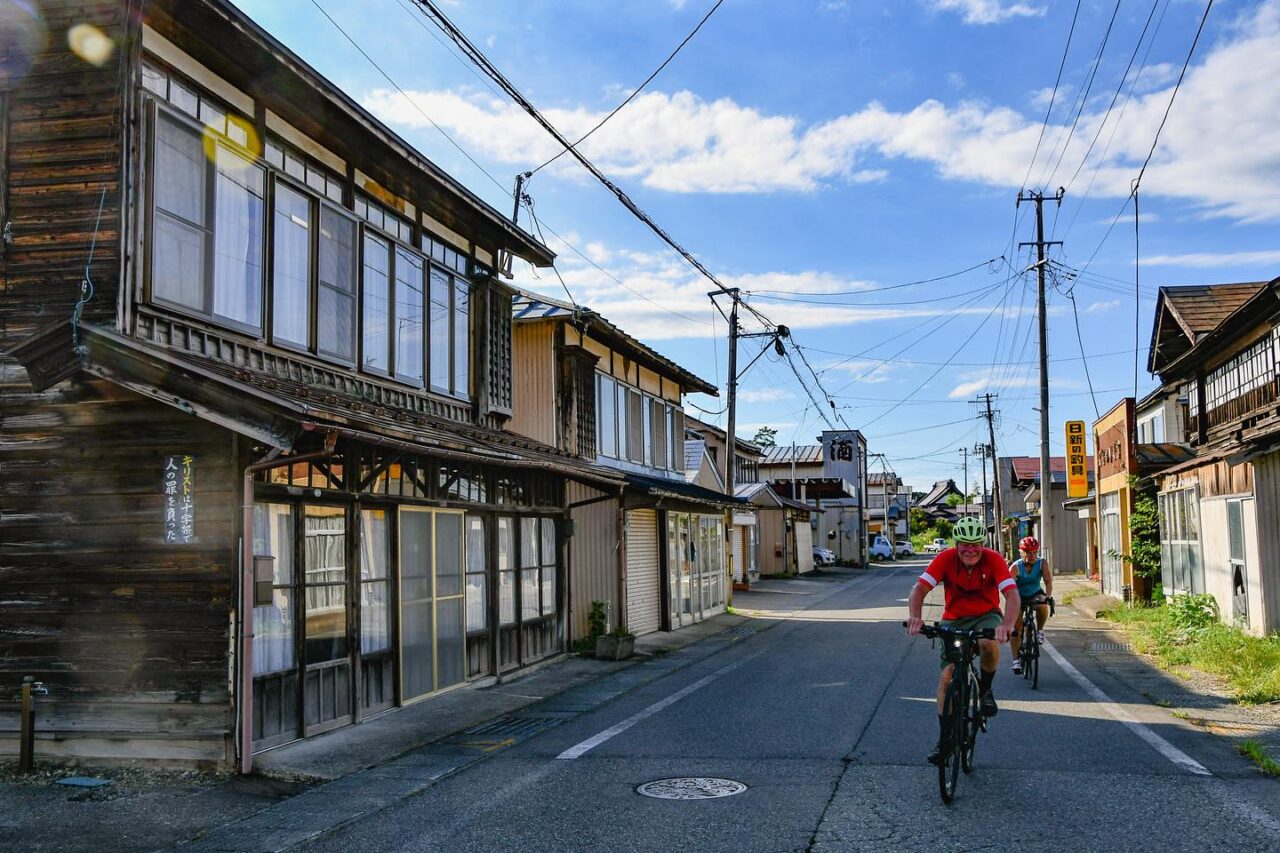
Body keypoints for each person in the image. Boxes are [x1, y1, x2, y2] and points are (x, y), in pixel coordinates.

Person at [905, 516, 1020, 765]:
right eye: (964, 544)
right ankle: (945, 740)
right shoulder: (945, 559)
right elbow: (920, 589)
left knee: (988, 644)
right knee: (947, 678)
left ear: (982, 543)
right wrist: (915, 617)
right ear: (956, 544)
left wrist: (1007, 625)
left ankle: (986, 690)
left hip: (986, 616)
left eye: (976, 543)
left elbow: (1011, 594)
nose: (970, 549)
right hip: (953, 620)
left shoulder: (994, 559)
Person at [1009, 536, 1053, 675]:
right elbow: (1008, 587)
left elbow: (1048, 582)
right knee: (1016, 629)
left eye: (1034, 552)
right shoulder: (1015, 567)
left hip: (1034, 593)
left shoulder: (1042, 563)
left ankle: (1039, 630)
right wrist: (1013, 602)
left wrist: (1047, 597)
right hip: (1018, 595)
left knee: (1042, 604)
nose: (1032, 555)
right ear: (1021, 552)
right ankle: (1016, 660)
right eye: (1028, 552)